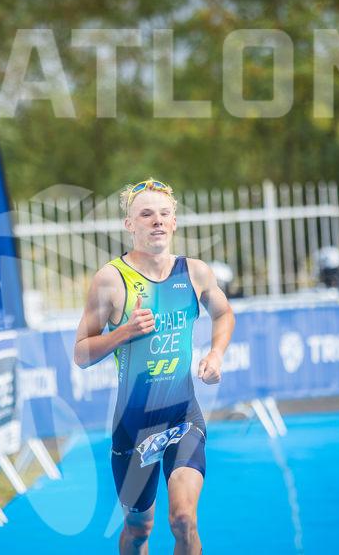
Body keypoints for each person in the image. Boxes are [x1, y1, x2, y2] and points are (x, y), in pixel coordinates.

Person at [74, 178, 235, 555]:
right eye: (146, 214)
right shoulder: (111, 279)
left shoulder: (194, 272)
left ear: (174, 222)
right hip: (133, 428)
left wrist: (216, 354)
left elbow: (224, 313)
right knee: (138, 529)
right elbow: (81, 354)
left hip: (183, 416)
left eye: (164, 214)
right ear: (130, 224)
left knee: (183, 519)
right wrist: (124, 332)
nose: (157, 221)